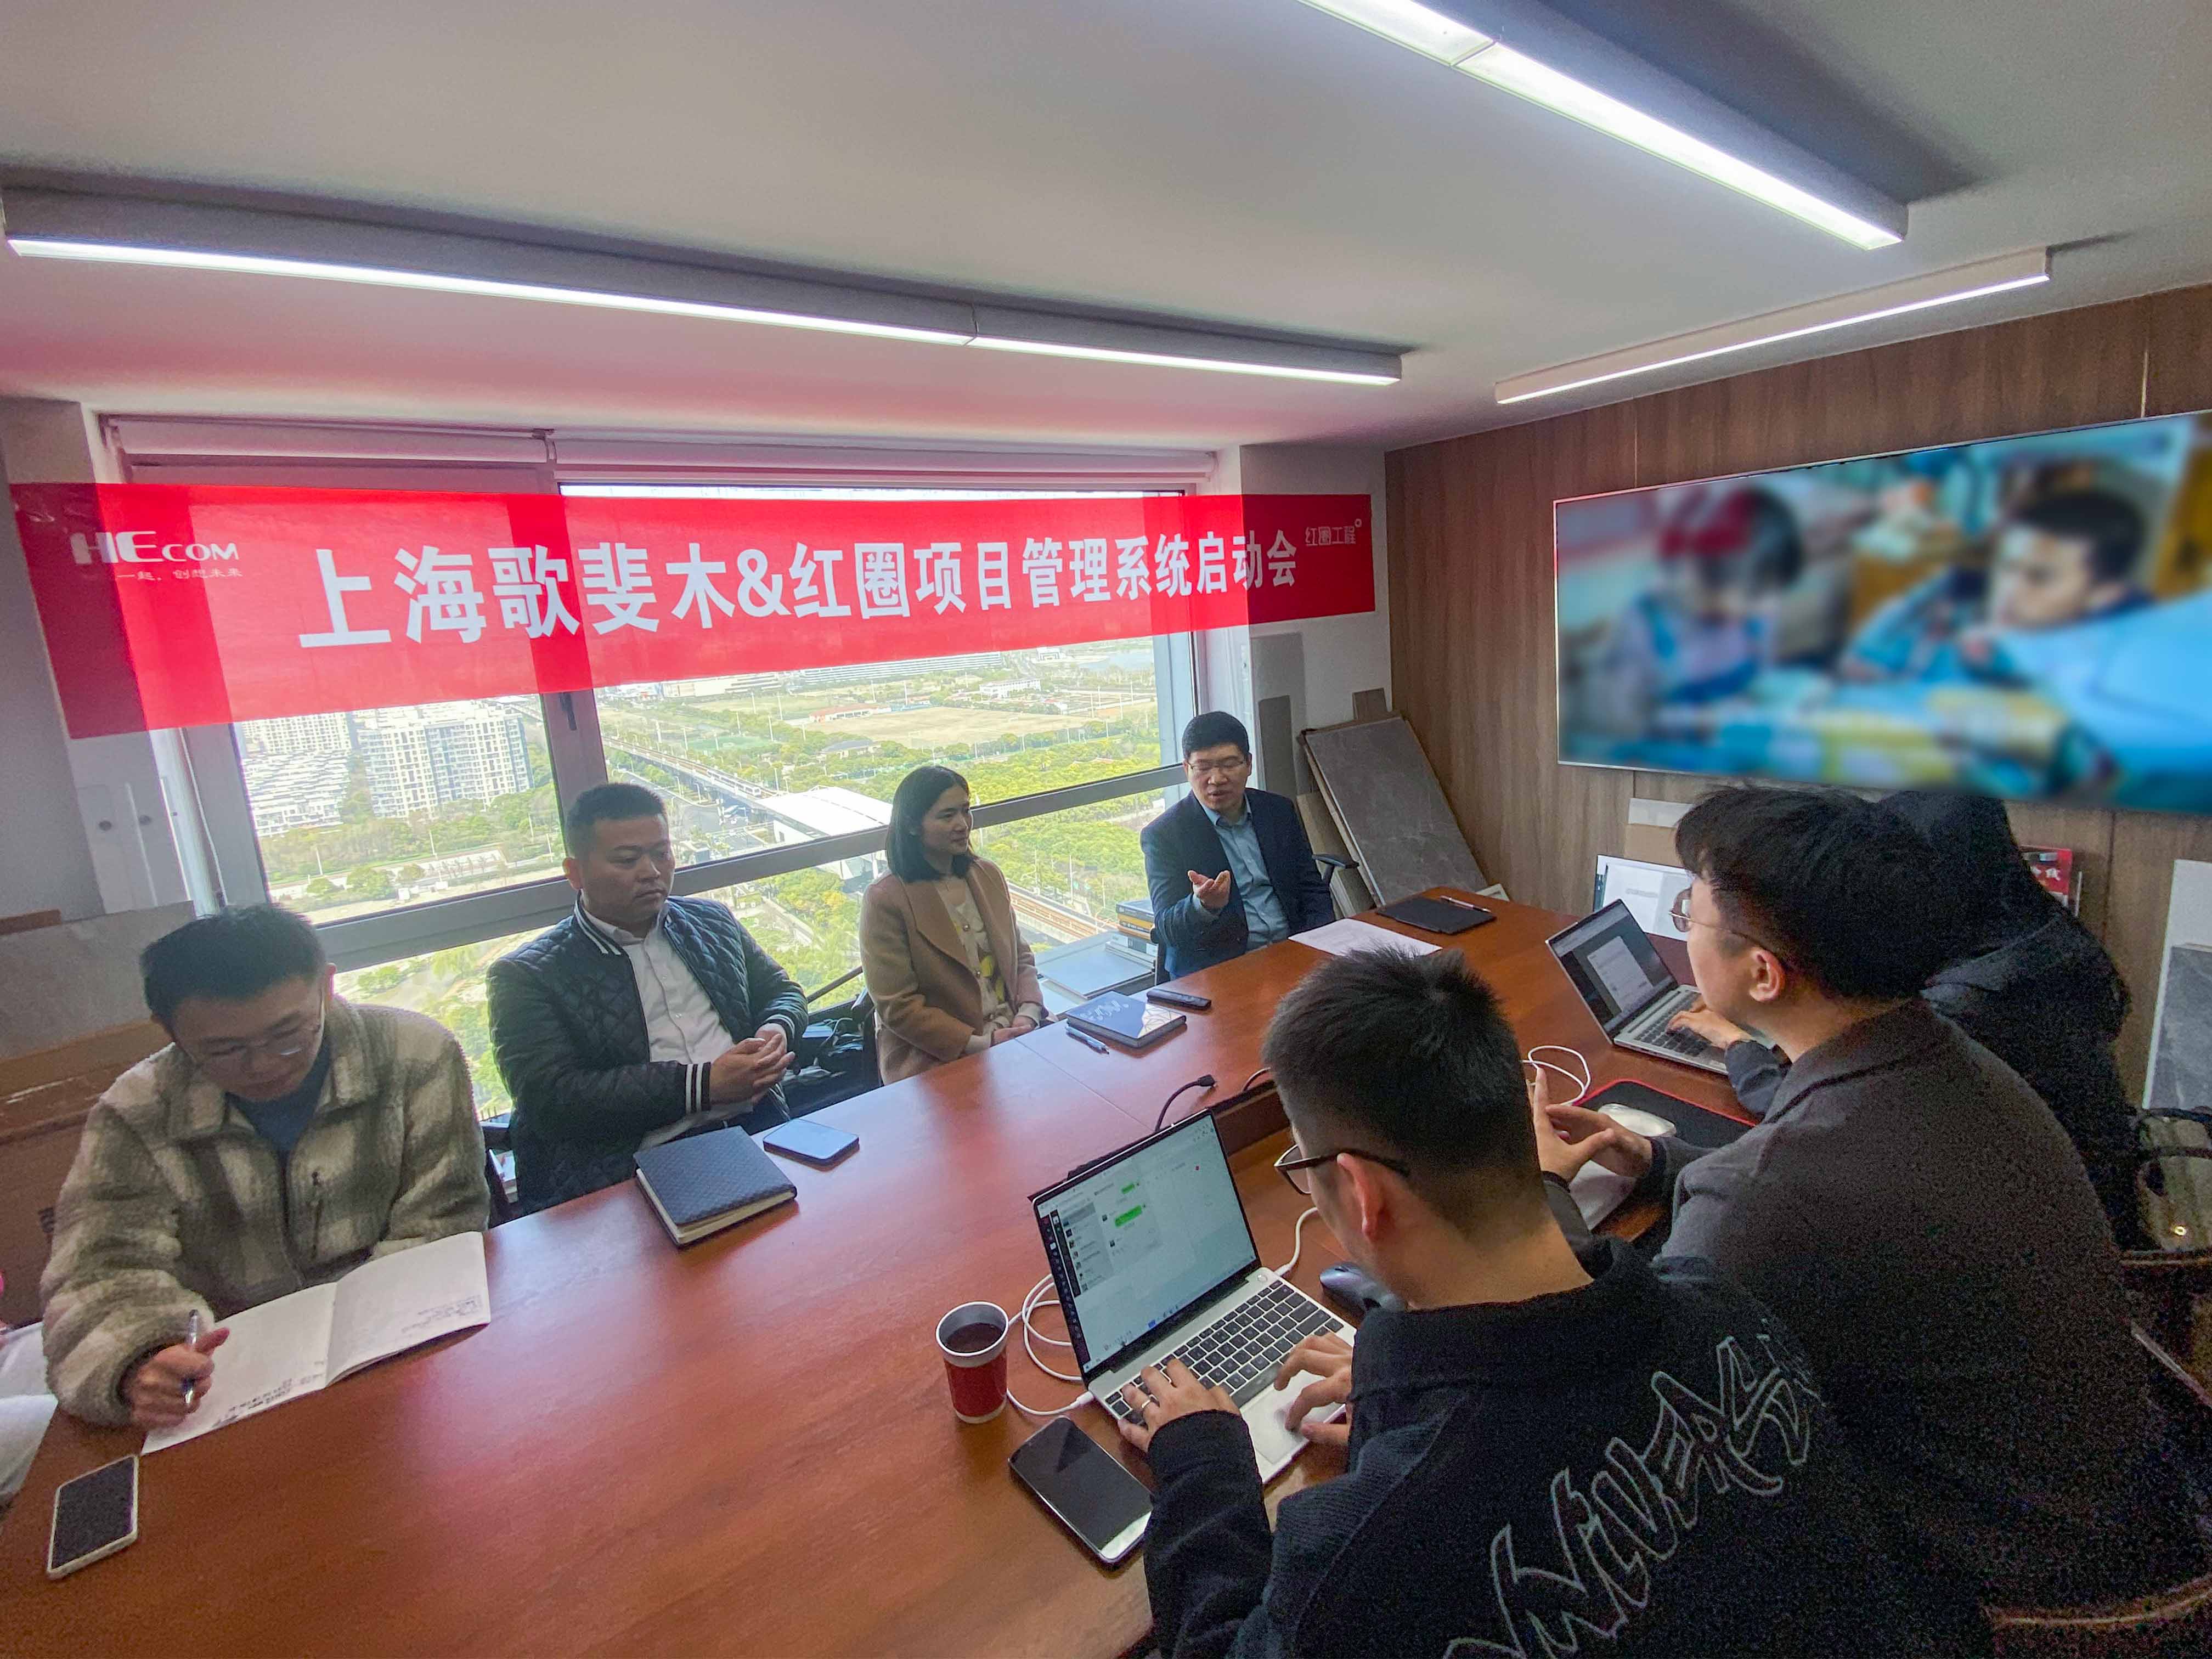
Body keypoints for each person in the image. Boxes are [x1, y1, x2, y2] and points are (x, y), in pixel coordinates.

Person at [1123, 946, 1968, 1658]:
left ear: (1361, 1192)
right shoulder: (1729, 1311)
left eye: (1305, 1172)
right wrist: (1401, 1403)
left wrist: (1202, 1458)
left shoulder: (1364, 1556)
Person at [1541, 786, 2205, 1612]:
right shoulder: (1954, 1053)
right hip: (2120, 1498)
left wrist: (1538, 1193)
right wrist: (1655, 1160)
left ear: (1762, 973)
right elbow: (1831, 1194)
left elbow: (1622, 1386)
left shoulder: (1768, 1194)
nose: (1685, 928)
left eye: (1691, 914)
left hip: (2002, 1587)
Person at [41, 906, 487, 1431]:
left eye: (288, 1034)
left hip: (400, 1349)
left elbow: (442, 1222)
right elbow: (99, 1274)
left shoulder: (414, 1055)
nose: (264, 1065)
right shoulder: (137, 1111)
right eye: (224, 1050)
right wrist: (142, 1360)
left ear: (326, 988)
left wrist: (372, 1332)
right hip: (230, 1379)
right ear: (169, 1030)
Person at [1674, 786, 2146, 1247]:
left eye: (1691, 917)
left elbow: (1808, 1166)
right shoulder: (2027, 953)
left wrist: (1740, 1047)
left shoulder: (1970, 1011)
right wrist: (1667, 1163)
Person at [488, 783, 806, 1212]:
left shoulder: (712, 922)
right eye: (627, 860)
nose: (651, 872)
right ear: (575, 873)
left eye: (662, 853)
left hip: (757, 1128)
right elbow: (552, 1098)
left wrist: (776, 1031)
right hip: (628, 1169)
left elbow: (783, 992)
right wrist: (702, 1086)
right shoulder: (528, 975)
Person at [860, 765, 1045, 1083]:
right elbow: (898, 1006)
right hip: (939, 1057)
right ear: (913, 825)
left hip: (1015, 1034)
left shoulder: (987, 875)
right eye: (947, 816)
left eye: (966, 811)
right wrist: (981, 1044)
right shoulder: (886, 899)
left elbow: (1021, 957)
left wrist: (1028, 1015)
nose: (962, 824)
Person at [1141, 712, 1332, 980]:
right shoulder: (1164, 835)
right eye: (1203, 767)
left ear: (1249, 764)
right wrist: (1202, 906)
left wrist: (1319, 943)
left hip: (1293, 951)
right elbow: (1165, 927)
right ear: (1187, 769)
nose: (1216, 779)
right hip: (1224, 969)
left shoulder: (1277, 810)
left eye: (1229, 764)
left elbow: (1311, 887)